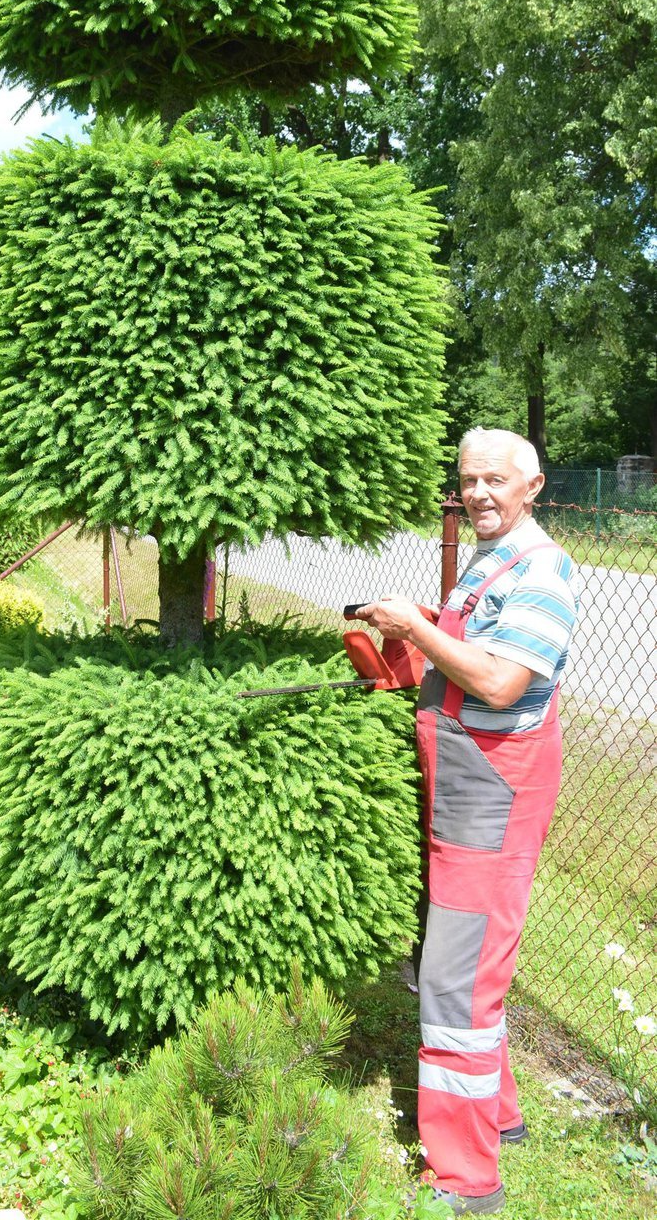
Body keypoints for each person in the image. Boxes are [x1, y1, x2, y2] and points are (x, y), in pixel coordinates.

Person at [357, 428, 578, 1215]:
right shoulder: (495, 558)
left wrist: (417, 633)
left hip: (492, 793)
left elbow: (497, 680)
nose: (478, 493)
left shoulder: (542, 572)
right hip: (464, 782)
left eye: (494, 481)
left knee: (453, 980)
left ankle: (464, 1177)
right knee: (466, 958)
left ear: (533, 485)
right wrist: (423, 628)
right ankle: (503, 1115)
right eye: (467, 480)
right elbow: (472, 644)